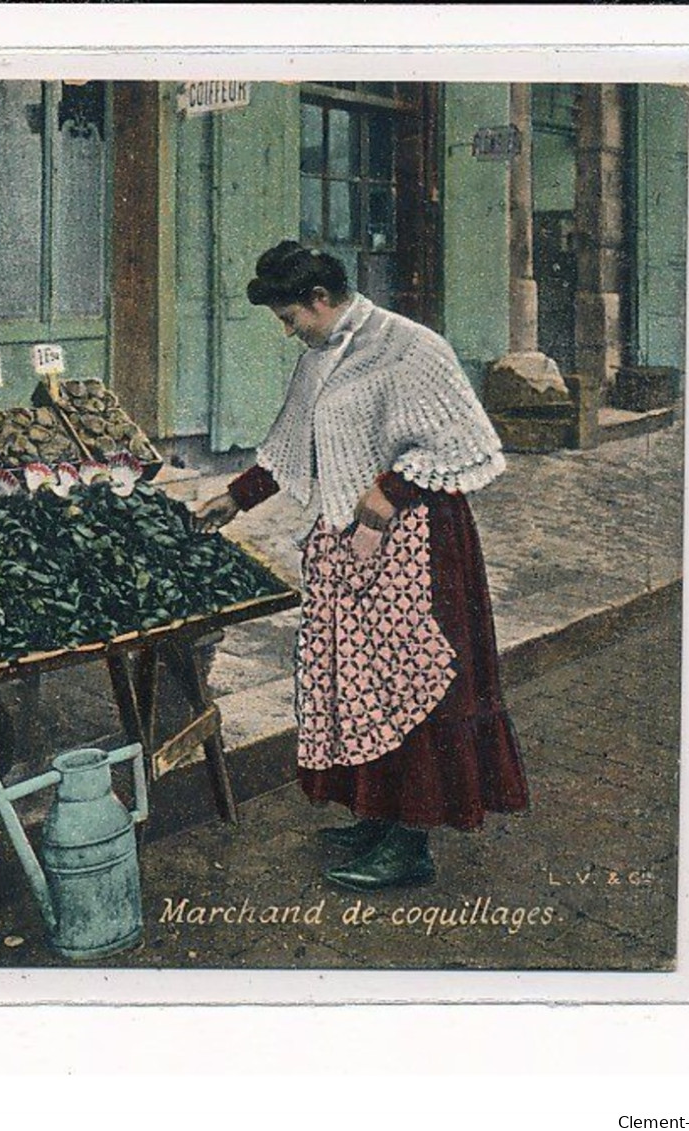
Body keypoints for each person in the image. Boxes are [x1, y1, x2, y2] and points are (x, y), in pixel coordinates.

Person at [193, 242, 529, 892]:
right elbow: (293, 441)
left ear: (321, 300)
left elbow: (463, 439)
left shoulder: (410, 346)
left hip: (419, 545)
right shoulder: (320, 358)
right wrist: (233, 497)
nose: (290, 333)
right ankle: (377, 816)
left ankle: (411, 843)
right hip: (350, 547)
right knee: (359, 682)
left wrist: (388, 492)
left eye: (292, 318)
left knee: (413, 686)